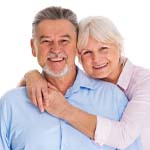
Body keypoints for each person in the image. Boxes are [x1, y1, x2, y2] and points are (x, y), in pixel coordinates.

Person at [0, 6, 141, 150]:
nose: (55, 49)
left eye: (64, 41)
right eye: (46, 41)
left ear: (76, 46)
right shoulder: (10, 105)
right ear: (33, 47)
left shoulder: (113, 99)